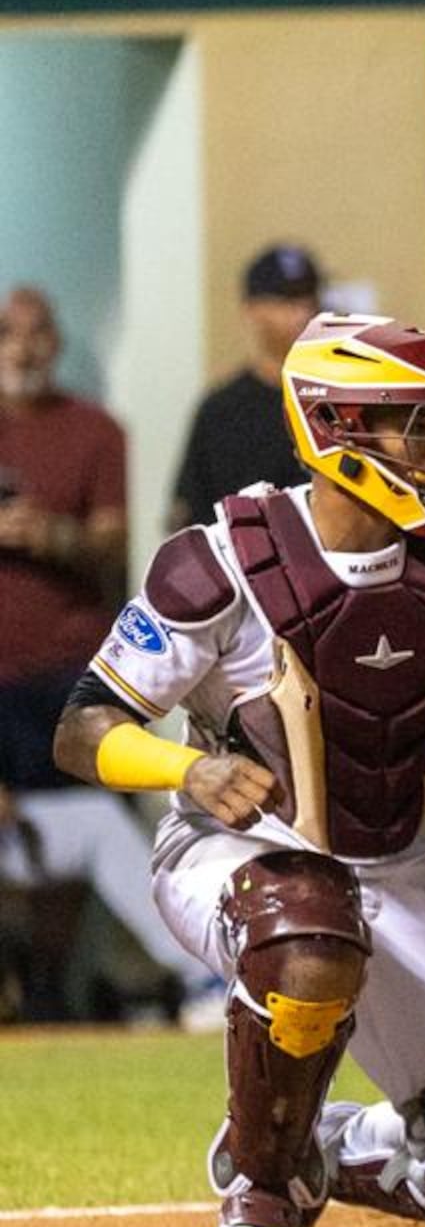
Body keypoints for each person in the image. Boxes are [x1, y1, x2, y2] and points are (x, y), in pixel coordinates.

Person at [51, 313, 425, 1227]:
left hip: (402, 863)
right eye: (414, 426)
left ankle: (321, 1145)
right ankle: (260, 1187)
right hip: (243, 858)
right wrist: (189, 767)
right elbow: (84, 726)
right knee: (306, 933)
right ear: (339, 430)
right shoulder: (221, 560)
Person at [0, 287, 209, 1020]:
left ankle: (56, 988)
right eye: (8, 333)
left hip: (68, 666)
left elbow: (120, 545)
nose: (22, 348)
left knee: (86, 834)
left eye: (36, 332)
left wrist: (51, 536)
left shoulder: (95, 432)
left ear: (56, 343)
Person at [167, 245, 324, 530]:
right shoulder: (222, 411)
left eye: (309, 297)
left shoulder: (334, 398)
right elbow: (188, 516)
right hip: (248, 566)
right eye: (286, 301)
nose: (304, 313)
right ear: (252, 309)